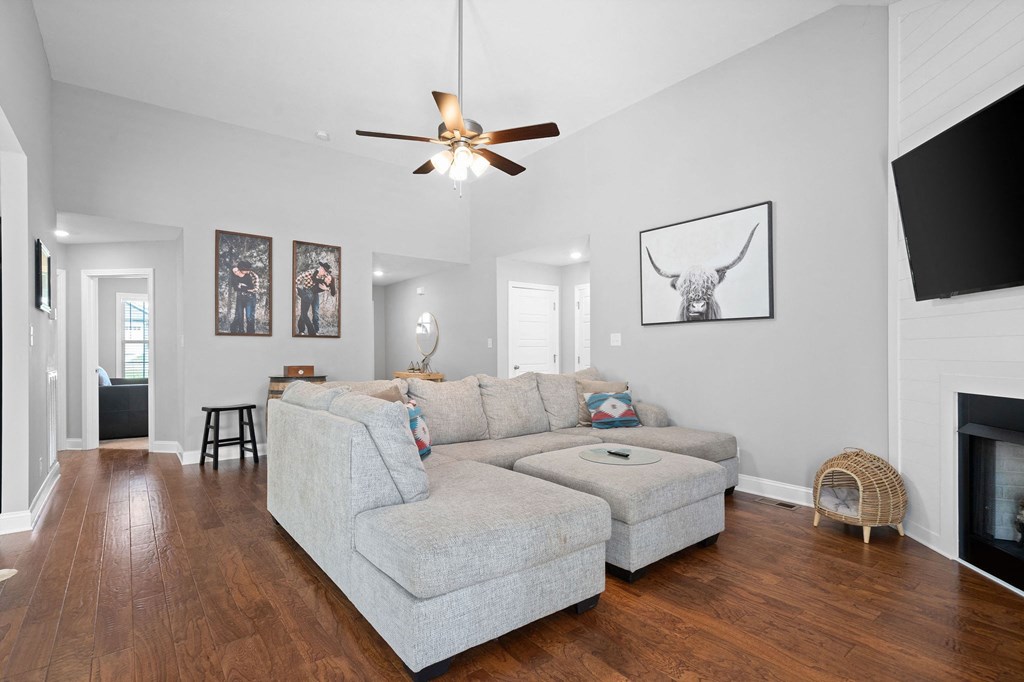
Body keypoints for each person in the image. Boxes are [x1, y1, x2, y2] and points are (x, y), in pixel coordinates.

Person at [295, 261, 336, 335]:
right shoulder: (310, 273)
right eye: (323, 270)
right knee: (304, 312)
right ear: (320, 268)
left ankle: (316, 331)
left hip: (315, 294)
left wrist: (326, 289)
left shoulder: (325, 276)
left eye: (325, 271)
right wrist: (295, 287)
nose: (325, 273)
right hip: (307, 291)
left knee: (315, 312)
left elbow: (331, 284)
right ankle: (301, 330)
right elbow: (298, 279)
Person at [229, 260, 260, 334]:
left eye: (241, 270)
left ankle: (250, 333)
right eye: (240, 270)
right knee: (239, 316)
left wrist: (245, 289)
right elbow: (236, 287)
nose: (240, 271)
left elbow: (256, 289)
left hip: (250, 298)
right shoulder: (237, 275)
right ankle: (239, 331)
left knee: (249, 317)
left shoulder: (253, 276)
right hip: (240, 297)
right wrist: (240, 288)